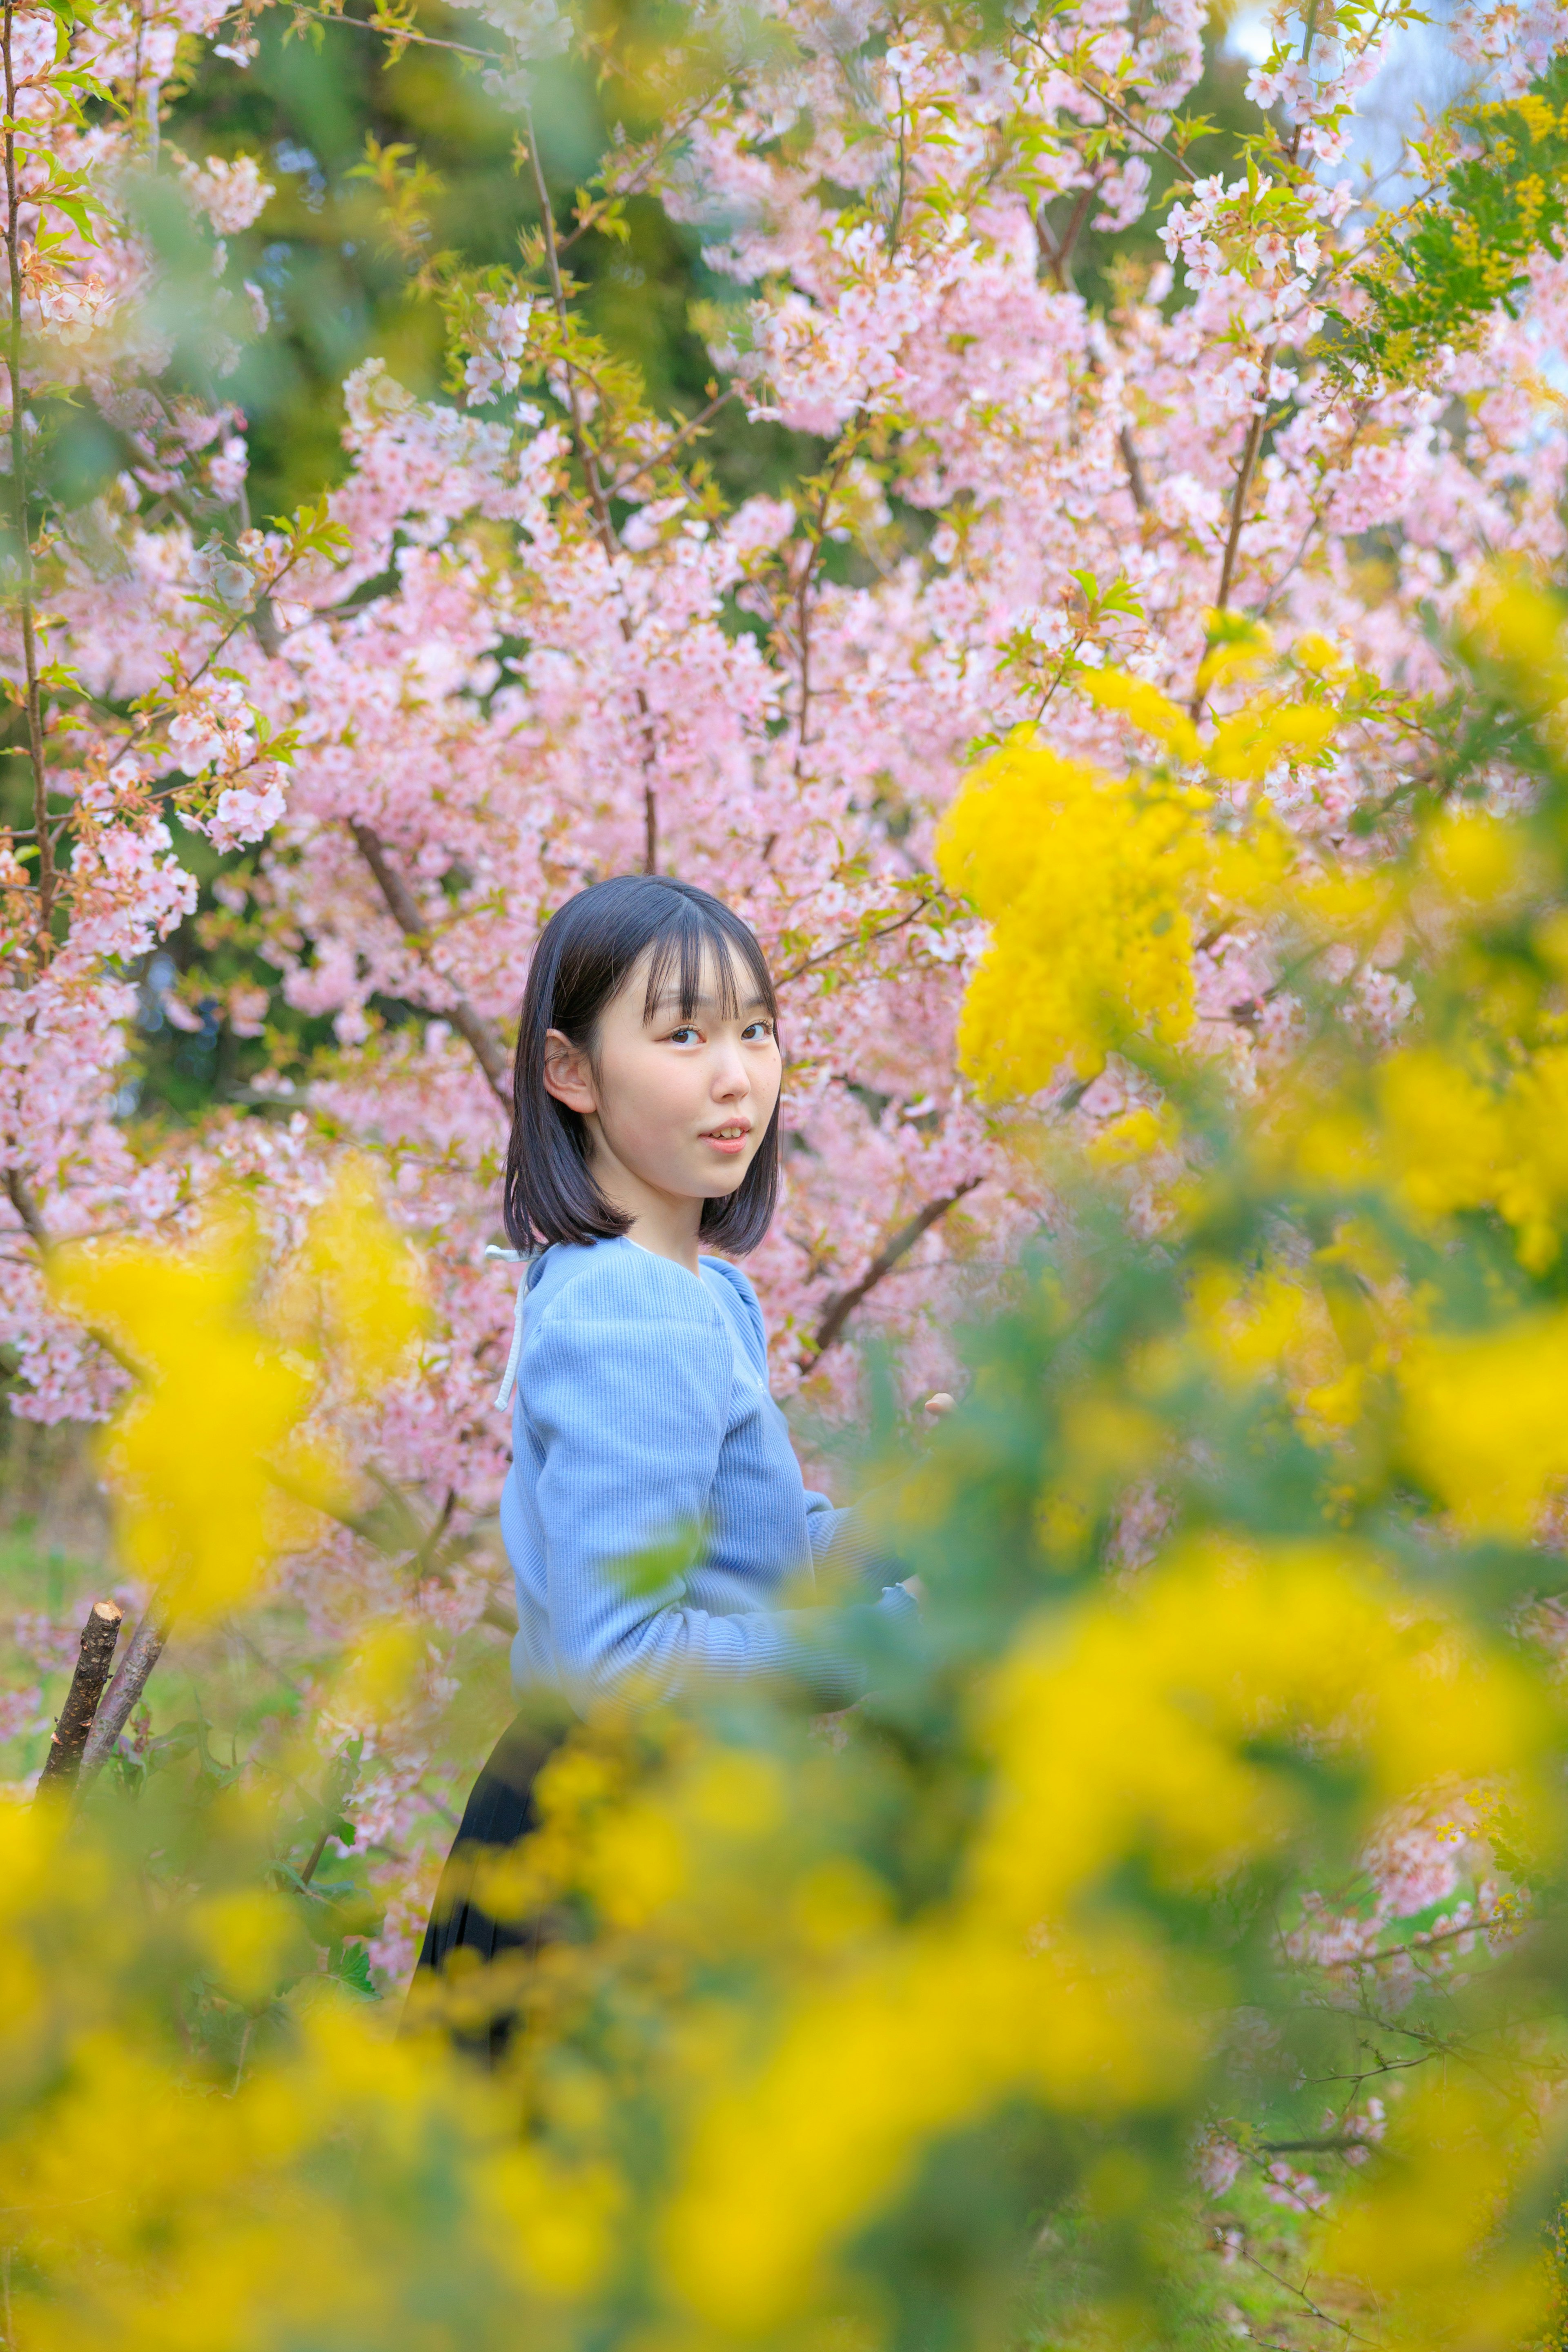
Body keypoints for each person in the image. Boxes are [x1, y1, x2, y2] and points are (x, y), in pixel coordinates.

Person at [412, 873, 920, 2054]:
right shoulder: (636, 1312)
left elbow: (754, 1544)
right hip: (616, 1865)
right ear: (570, 1072)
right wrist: (885, 1637)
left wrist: (944, 1533)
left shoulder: (690, 1288)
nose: (735, 1075)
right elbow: (618, 1661)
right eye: (682, 1034)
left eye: (754, 1030)